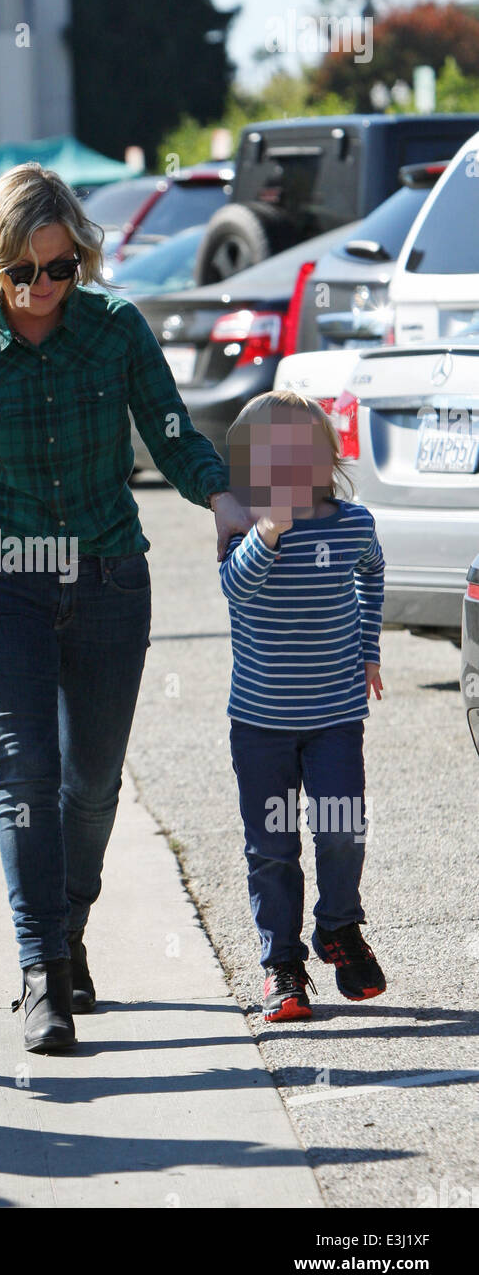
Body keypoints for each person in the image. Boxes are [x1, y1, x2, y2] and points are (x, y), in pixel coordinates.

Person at [0, 162, 250, 1053]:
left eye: (59, 270)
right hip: (1, 579)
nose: (43, 289)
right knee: (25, 777)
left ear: (80, 259)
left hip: (110, 575)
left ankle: (71, 924)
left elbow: (168, 428)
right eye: (24, 272)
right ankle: (41, 969)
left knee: (91, 780)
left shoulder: (115, 329)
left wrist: (219, 497)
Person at [219, 390, 386, 1024]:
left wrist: (368, 648)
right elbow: (235, 588)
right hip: (261, 723)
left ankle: (339, 929)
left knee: (342, 830)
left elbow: (373, 571)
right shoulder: (248, 526)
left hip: (336, 716)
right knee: (272, 844)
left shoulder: (353, 523)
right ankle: (281, 966)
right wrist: (267, 530)